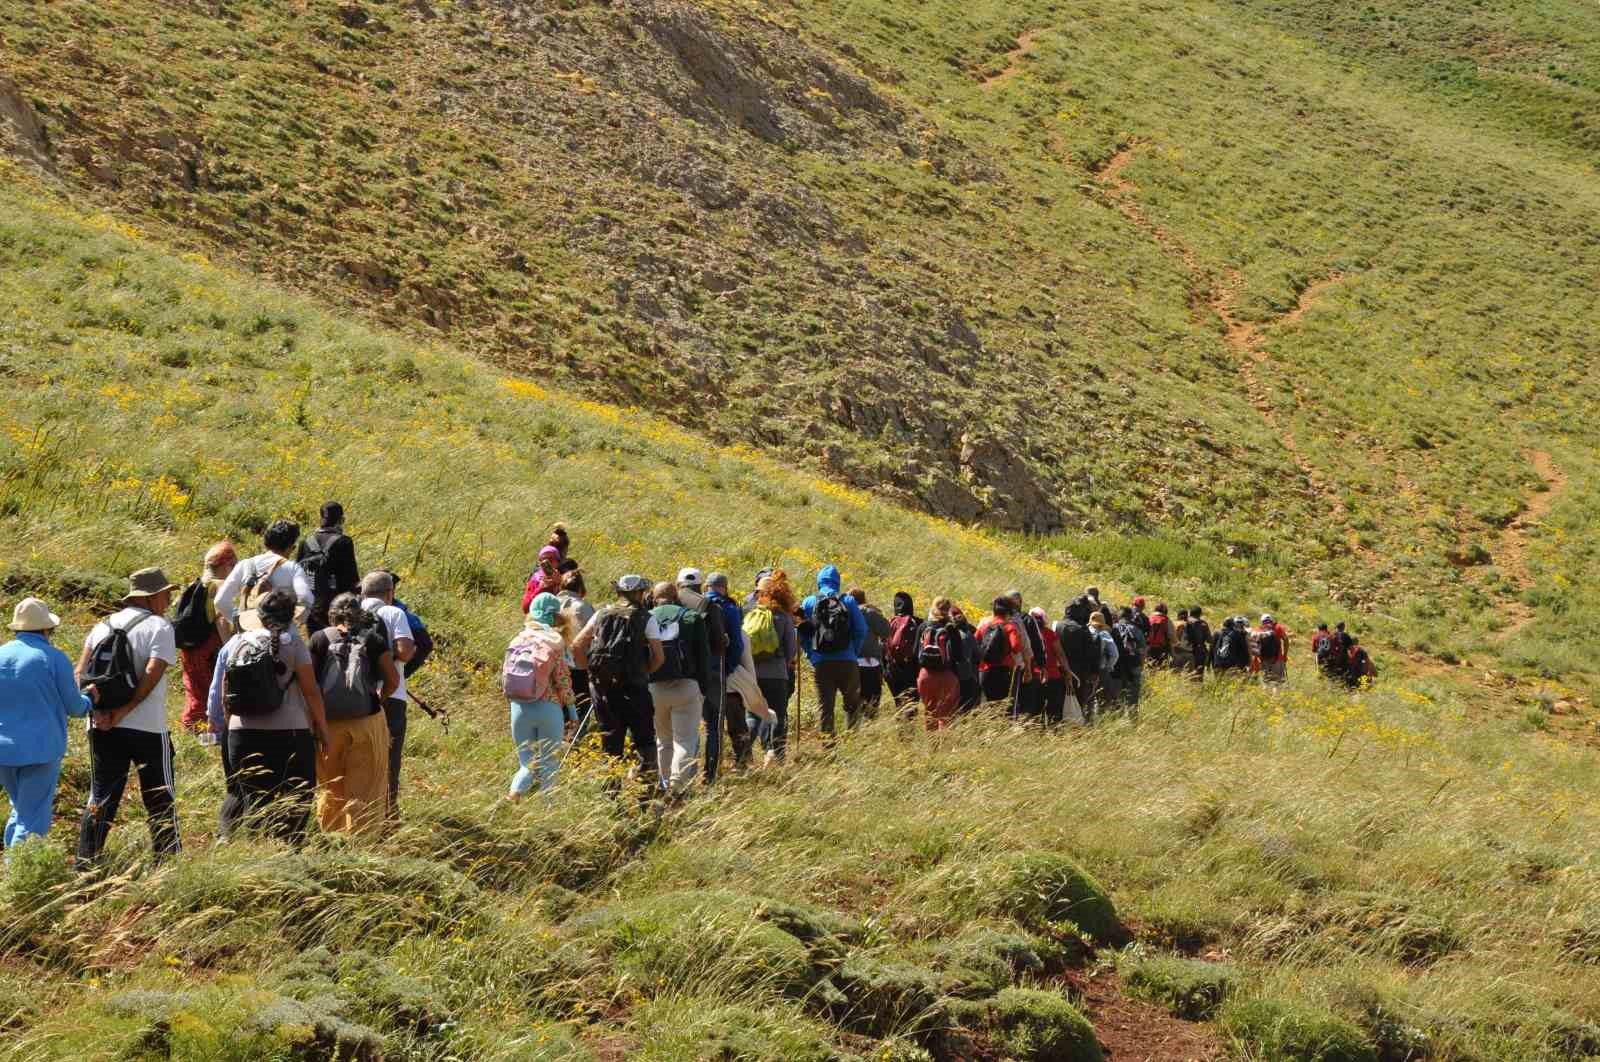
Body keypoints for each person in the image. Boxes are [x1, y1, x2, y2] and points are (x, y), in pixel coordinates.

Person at [75, 568, 181, 868]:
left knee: (101, 796)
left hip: (101, 725)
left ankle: (85, 864)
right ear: (152, 597)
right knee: (160, 795)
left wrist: (99, 713)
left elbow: (79, 673)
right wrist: (124, 710)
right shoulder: (160, 627)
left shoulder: (101, 626)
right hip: (147, 726)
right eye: (166, 594)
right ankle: (167, 863)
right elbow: (152, 673)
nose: (169, 599)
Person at [214, 589, 331, 846]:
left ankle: (230, 842)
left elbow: (226, 693)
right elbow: (311, 692)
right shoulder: (294, 644)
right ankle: (289, 849)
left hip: (241, 733)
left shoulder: (238, 643)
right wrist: (322, 729)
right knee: (297, 796)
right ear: (291, 616)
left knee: (244, 792)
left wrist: (229, 730)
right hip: (289, 733)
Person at [0, 598, 95, 852]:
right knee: (33, 818)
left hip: (4, 749)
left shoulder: (1, 655)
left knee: (20, 808)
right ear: (46, 629)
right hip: (41, 749)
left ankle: (11, 868)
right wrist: (90, 699)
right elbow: (75, 707)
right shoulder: (53, 658)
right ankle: (21, 878)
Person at [309, 593, 397, 835]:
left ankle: (331, 838)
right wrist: (378, 699)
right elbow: (393, 679)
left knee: (331, 787)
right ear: (359, 616)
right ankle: (361, 843)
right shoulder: (374, 640)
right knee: (365, 788)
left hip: (329, 725)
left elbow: (309, 685)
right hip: (366, 723)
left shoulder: (319, 639)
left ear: (331, 614)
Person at [573, 575, 663, 787]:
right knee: (644, 744)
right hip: (636, 690)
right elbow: (659, 657)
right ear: (640, 594)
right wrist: (643, 672)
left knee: (610, 745)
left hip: (604, 689)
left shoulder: (600, 614)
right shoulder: (646, 618)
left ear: (619, 593)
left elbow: (577, 646)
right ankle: (645, 795)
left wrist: (591, 673)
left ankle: (611, 798)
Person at [502, 592, 577, 800]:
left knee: (526, 763)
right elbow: (563, 681)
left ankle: (513, 798)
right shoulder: (554, 642)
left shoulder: (518, 639)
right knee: (549, 764)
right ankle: (549, 812)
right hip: (548, 708)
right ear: (555, 617)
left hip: (519, 708)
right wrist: (572, 712)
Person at [359, 571, 416, 821]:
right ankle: (388, 816)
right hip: (391, 695)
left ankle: (358, 813)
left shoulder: (348, 613)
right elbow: (404, 652)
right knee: (389, 760)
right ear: (390, 593)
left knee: (359, 756)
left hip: (355, 693)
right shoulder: (394, 613)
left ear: (362, 592)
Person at [648, 582, 710, 796]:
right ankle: (677, 786)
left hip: (655, 687)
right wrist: (703, 687)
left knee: (663, 741)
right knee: (684, 740)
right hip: (686, 685)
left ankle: (663, 784)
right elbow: (704, 656)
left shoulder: (647, 617)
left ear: (654, 598)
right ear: (676, 596)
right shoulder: (691, 617)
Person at [213, 521, 314, 639]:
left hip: (248, 635)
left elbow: (220, 601)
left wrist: (239, 618)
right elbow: (306, 599)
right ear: (290, 547)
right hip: (283, 636)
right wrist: (293, 621)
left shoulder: (245, 565)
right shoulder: (293, 568)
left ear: (266, 543)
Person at [799, 564, 868, 737]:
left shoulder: (809, 602)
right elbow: (862, 629)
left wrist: (811, 654)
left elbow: (800, 631)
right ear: (838, 581)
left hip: (822, 662)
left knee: (825, 707)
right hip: (848, 660)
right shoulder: (849, 601)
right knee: (852, 704)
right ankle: (852, 742)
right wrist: (854, 652)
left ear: (819, 581)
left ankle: (829, 749)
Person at [675, 569, 731, 779]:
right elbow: (718, 643)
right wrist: (725, 641)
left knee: (681, 729)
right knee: (712, 724)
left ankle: (680, 776)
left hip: (677, 674)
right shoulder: (710, 607)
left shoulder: (669, 604)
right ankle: (710, 775)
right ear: (700, 586)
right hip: (710, 671)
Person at [178, 541, 236, 734]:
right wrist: (231, 648)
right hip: (210, 649)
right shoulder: (220, 587)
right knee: (213, 690)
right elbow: (220, 620)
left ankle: (192, 729)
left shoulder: (197, 584)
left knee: (194, 690)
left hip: (190, 648)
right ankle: (209, 732)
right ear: (227, 565)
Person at [703, 573, 751, 777]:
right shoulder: (730, 608)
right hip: (725, 672)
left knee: (710, 724)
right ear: (724, 587)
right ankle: (741, 761)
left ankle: (711, 768)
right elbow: (737, 643)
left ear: (707, 586)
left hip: (702, 673)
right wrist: (730, 667)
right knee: (735, 718)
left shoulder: (699, 606)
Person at [748, 571, 798, 764]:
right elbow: (791, 650)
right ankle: (776, 755)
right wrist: (785, 663)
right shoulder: (783, 617)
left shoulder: (751, 613)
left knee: (753, 714)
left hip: (753, 674)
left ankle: (743, 754)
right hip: (777, 674)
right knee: (777, 714)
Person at [297, 502, 360, 633]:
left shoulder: (306, 542)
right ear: (341, 520)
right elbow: (351, 577)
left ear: (321, 519)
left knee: (316, 645)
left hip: (312, 606)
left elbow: (298, 573)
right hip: (338, 606)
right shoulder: (344, 542)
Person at [915, 598, 963, 729]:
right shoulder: (951, 628)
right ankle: (946, 747)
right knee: (947, 715)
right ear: (949, 610)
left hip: (926, 676)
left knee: (930, 713)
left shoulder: (924, 626)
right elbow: (959, 656)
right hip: (947, 675)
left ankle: (932, 748)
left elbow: (915, 653)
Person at [558, 569, 595, 734]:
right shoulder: (583, 607)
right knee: (579, 706)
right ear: (581, 588)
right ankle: (574, 742)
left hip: (552, 664)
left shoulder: (551, 602)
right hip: (577, 665)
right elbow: (593, 637)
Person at [974, 597, 1025, 707]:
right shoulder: (1010, 627)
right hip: (1003, 672)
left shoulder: (984, 627)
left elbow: (974, 644)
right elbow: (1016, 647)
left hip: (985, 672)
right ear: (1008, 612)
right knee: (1003, 707)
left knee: (988, 706)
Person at [1055, 599, 1100, 722]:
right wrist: (1095, 673)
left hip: (1060, 670)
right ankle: (1076, 729)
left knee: (1060, 701)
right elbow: (1091, 654)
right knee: (1077, 703)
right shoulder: (1082, 629)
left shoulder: (1059, 625)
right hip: (1079, 673)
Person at [851, 587, 891, 719]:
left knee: (853, 705)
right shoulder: (870, 613)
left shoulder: (846, 612)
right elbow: (887, 631)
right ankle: (869, 732)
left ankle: (853, 734)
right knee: (871, 705)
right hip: (870, 665)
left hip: (850, 664)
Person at [1031, 607, 1075, 724]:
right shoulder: (1050, 633)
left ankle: (1037, 734)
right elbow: (1060, 654)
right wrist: (1068, 671)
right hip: (1053, 677)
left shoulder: (1027, 634)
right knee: (1054, 711)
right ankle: (1054, 733)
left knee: (1035, 711)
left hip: (1035, 677)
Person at [884, 592, 923, 709]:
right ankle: (909, 726)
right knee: (912, 706)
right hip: (912, 670)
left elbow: (883, 648)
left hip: (893, 670)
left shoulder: (889, 623)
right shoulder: (919, 623)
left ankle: (901, 727)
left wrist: (886, 672)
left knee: (899, 705)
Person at [1009, 591, 1043, 717]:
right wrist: (1041, 664)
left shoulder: (993, 620)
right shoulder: (1026, 620)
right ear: (1020, 602)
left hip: (999, 667)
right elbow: (1036, 643)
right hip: (1023, 665)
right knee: (1023, 698)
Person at [1113, 607, 1147, 711]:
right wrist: (1141, 665)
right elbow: (1143, 651)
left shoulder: (1113, 628)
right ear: (1131, 617)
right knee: (1133, 696)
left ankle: (1117, 719)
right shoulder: (1137, 630)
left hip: (1117, 667)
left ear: (1119, 616)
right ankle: (1133, 720)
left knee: (1117, 696)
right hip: (1134, 665)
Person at [948, 606, 981, 713]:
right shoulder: (968, 635)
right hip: (967, 676)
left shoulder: (950, 635)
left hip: (952, 676)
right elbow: (977, 655)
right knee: (967, 708)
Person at [520, 544, 563, 614]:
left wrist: (560, 584)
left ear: (558, 561)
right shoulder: (535, 581)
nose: (548, 563)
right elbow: (526, 608)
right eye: (543, 561)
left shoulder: (565, 578)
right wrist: (541, 589)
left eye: (551, 559)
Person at [1255, 613, 1289, 686]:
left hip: (1263, 660)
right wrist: (1285, 655)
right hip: (1277, 659)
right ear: (1271, 620)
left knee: (1266, 682)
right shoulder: (1278, 627)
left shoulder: (1258, 630)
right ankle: (1277, 696)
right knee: (1279, 682)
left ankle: (1268, 696)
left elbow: (1255, 645)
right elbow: (1286, 640)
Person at [1184, 606, 1213, 680]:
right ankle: (1198, 689)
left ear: (1190, 613)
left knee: (1187, 672)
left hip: (1187, 650)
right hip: (1200, 651)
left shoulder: (1186, 622)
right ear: (1200, 614)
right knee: (1199, 673)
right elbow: (1209, 640)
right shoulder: (1203, 624)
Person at [1146, 603, 1174, 669]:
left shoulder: (1149, 618)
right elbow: (1171, 636)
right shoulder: (1166, 620)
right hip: (1162, 648)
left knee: (1149, 668)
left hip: (1149, 647)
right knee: (1161, 668)